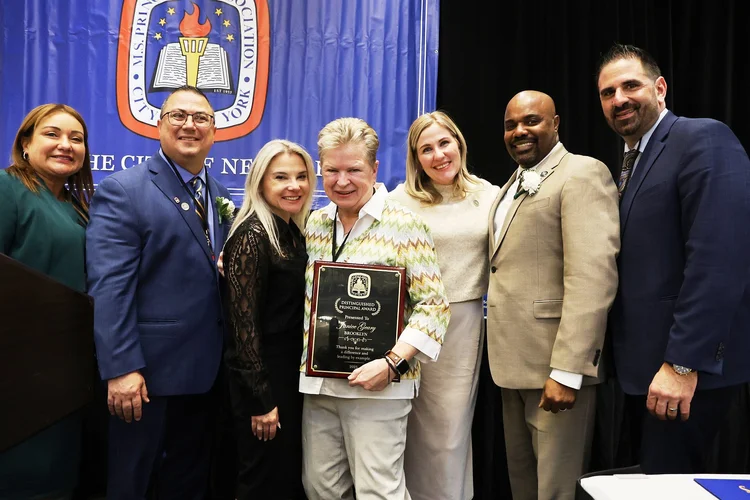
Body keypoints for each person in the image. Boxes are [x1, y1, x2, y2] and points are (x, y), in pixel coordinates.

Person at [596, 44, 750, 473]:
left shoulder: (702, 139)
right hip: (642, 373)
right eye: (608, 93)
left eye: (631, 86)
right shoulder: (630, 162)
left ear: (660, 88)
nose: (619, 99)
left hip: (686, 375)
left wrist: (683, 364)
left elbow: (719, 261)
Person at [86, 85, 232, 499]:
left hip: (205, 378)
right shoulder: (123, 190)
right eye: (178, 116)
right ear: (159, 124)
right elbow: (110, 288)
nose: (190, 125)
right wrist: (121, 368)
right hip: (145, 379)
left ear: (214, 129)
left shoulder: (220, 194)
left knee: (187, 487)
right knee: (132, 486)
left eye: (201, 118)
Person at [299, 117, 450, 500]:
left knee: (378, 491)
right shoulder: (316, 223)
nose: (342, 181)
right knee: (321, 488)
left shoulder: (406, 225)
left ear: (374, 168)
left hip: (381, 385)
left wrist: (392, 363)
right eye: (332, 170)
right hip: (320, 383)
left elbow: (433, 306)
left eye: (353, 170)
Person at [487, 91, 620, 500]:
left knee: (556, 492)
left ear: (556, 123)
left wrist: (567, 371)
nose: (519, 131)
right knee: (524, 488)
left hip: (556, 371)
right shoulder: (509, 184)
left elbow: (592, 278)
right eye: (510, 125)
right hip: (511, 369)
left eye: (531, 121)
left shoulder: (582, 173)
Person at [389, 111, 499, 500]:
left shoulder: (489, 196)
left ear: (459, 143)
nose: (438, 155)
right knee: (402, 427)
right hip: (407, 326)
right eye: (427, 149)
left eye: (444, 143)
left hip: (461, 324)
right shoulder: (396, 201)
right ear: (415, 158)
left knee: (449, 432)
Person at [0, 104, 93, 499]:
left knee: (60, 478)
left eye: (76, 138)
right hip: (16, 373)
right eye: (52, 134)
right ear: (25, 143)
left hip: (67, 372)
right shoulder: (7, 189)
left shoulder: (79, 209)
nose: (65, 145)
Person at [221, 139, 316, 499]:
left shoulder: (291, 231)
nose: (294, 186)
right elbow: (242, 329)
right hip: (264, 381)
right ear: (260, 183)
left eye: (301, 176)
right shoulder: (252, 236)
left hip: (290, 376)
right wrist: (260, 401)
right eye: (281, 177)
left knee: (285, 477)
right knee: (261, 480)